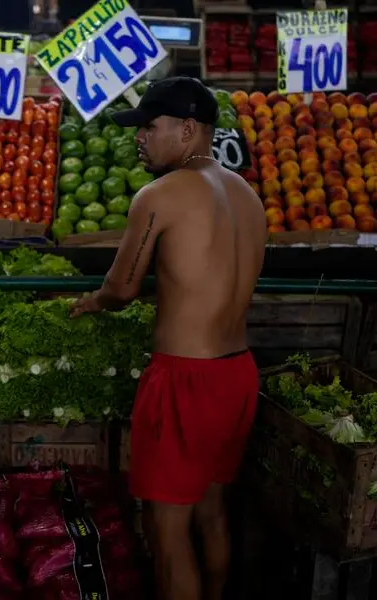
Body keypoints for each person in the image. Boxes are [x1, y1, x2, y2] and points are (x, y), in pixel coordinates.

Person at [70, 77, 267, 600]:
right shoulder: (247, 195)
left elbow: (122, 288)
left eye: (149, 127)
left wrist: (92, 303)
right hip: (237, 374)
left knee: (166, 529)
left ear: (187, 129)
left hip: (186, 379)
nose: (139, 138)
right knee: (212, 510)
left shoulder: (158, 195)